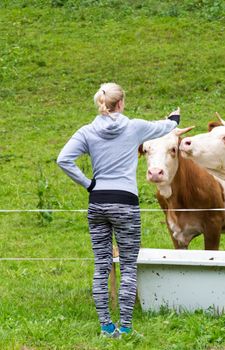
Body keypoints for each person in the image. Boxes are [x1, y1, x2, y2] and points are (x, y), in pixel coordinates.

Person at [57, 82, 180, 338]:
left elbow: (63, 159)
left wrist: (88, 183)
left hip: (98, 201)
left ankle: (105, 327)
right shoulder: (134, 127)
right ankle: (125, 328)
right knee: (128, 266)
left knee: (101, 265)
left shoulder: (87, 131)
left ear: (99, 103)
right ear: (121, 103)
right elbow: (166, 127)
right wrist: (174, 117)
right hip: (126, 202)